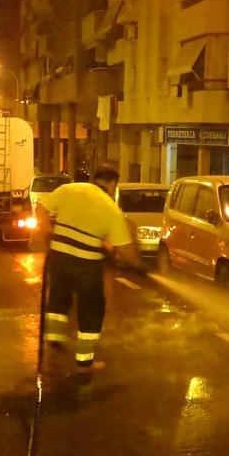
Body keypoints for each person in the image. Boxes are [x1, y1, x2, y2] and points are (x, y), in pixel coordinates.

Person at [35, 164, 146, 384]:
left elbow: (41, 210)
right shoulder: (111, 209)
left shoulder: (70, 190)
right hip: (87, 267)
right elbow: (124, 249)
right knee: (91, 313)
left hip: (59, 260)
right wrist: (138, 267)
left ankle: (53, 348)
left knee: (57, 302)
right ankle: (84, 366)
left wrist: (48, 232)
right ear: (113, 183)